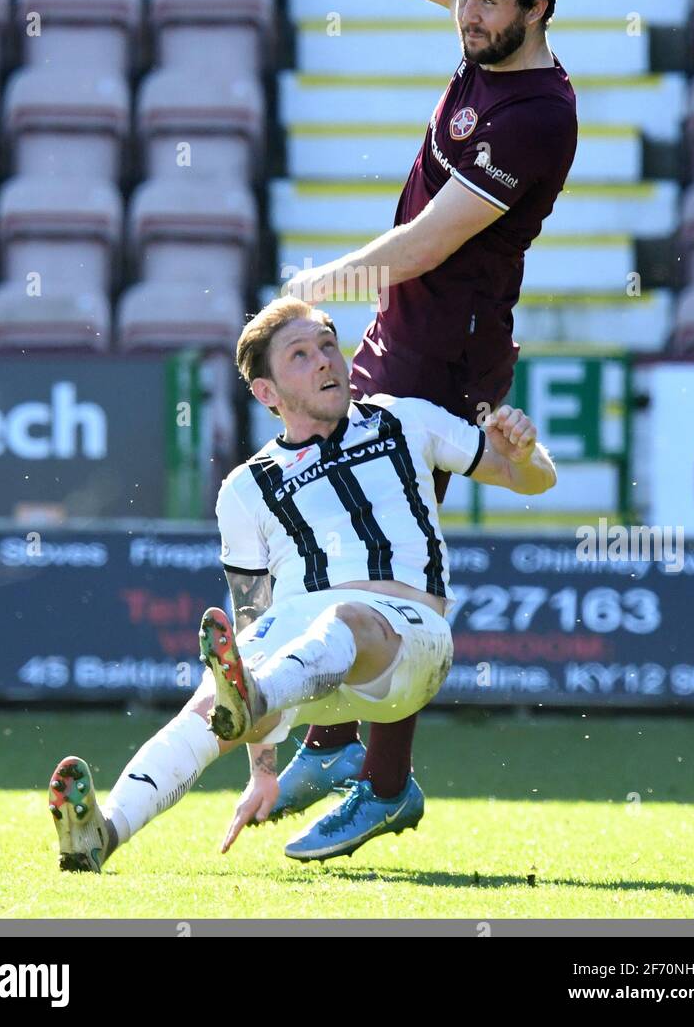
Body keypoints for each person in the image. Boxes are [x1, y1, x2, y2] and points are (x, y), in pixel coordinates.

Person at [267, 0, 578, 856]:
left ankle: (382, 783)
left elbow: (430, 242)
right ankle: (329, 741)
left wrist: (315, 280)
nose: (467, 13)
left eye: (488, 1)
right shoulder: (484, 39)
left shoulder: (534, 114)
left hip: (448, 352)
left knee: (393, 562)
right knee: (332, 517)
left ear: (536, 10)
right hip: (401, 333)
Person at [49, 299, 557, 871]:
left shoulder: (402, 418)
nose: (325, 362)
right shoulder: (244, 488)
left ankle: (263, 702)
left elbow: (529, 478)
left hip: (404, 646)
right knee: (204, 709)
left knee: (342, 621)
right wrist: (263, 770)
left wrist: (524, 452)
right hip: (295, 662)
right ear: (267, 394)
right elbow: (249, 628)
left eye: (326, 346)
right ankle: (101, 835)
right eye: (300, 355)